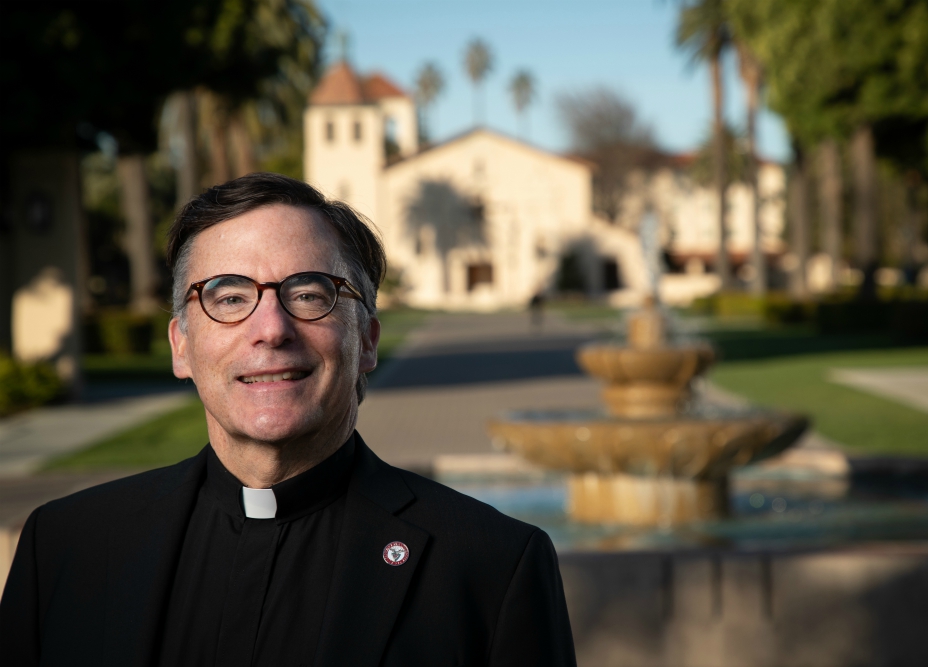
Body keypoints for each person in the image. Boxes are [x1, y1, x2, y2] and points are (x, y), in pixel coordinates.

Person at [0, 173, 576, 666]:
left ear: (367, 341)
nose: (271, 328)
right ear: (181, 347)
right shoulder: (65, 547)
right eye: (227, 298)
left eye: (308, 294)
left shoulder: (492, 567)